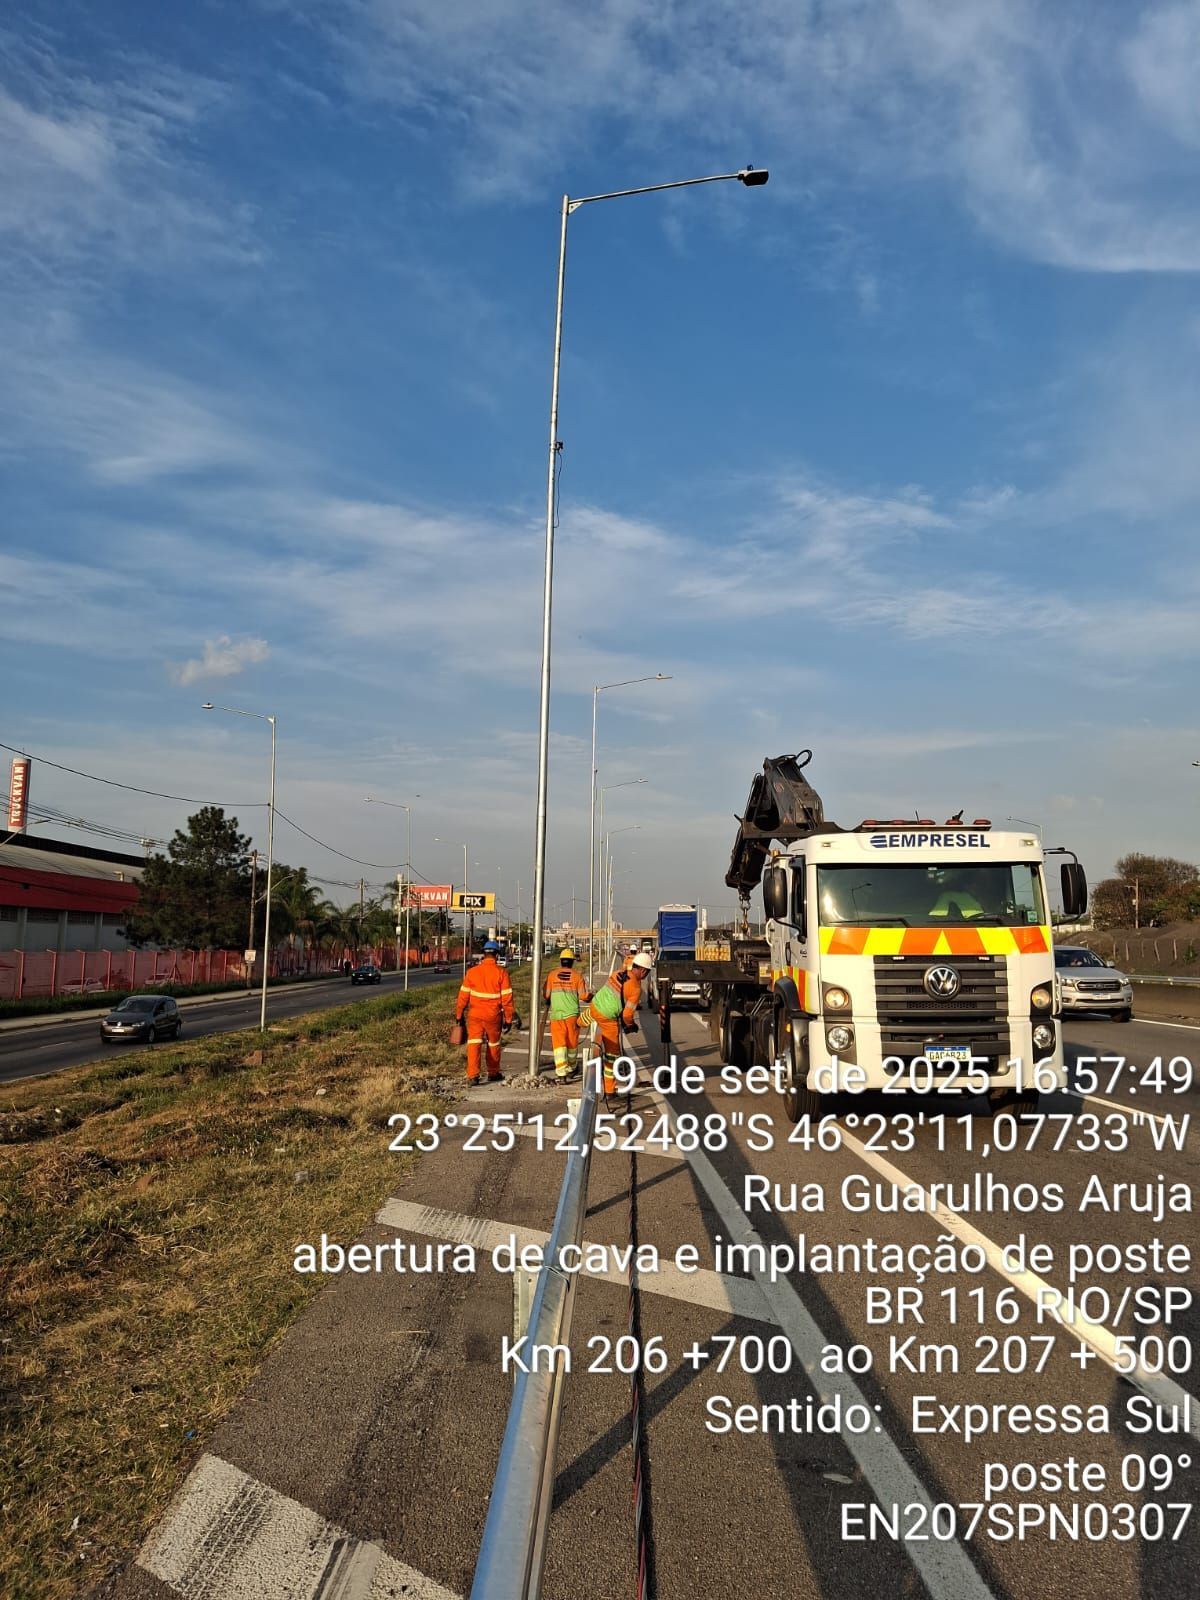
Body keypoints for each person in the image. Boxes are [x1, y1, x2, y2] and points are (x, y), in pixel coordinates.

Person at [584, 951, 654, 1095]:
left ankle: (577, 1025)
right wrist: (631, 1025)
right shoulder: (636, 989)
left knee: (586, 1023)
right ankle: (609, 1090)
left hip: (594, 1006)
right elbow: (627, 1015)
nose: (646, 975)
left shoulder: (617, 973)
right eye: (647, 972)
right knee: (612, 1055)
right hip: (608, 1019)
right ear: (643, 970)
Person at [455, 940, 515, 1086]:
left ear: (484, 954)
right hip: (493, 1015)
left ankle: (473, 1076)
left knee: (474, 1043)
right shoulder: (502, 973)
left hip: (475, 1015)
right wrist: (508, 1019)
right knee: (493, 1044)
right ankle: (493, 1073)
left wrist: (459, 1015)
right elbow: (507, 999)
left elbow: (463, 996)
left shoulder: (472, 972)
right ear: (496, 955)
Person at [544, 948, 590, 1081]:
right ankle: (571, 1068)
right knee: (572, 1044)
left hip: (556, 1016)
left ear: (561, 961)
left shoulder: (552, 975)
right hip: (572, 1016)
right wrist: (591, 997)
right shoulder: (577, 976)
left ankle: (561, 1074)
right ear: (572, 962)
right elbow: (583, 996)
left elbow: (546, 994)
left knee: (559, 1045)